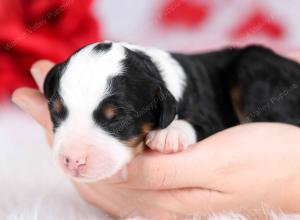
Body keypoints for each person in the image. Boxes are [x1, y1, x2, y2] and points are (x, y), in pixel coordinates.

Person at [12, 55, 300, 219]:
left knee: (255, 70)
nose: (74, 155)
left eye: (115, 121)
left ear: (162, 108)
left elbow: (206, 122)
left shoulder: (165, 94)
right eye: (61, 114)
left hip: (257, 67)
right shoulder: (144, 90)